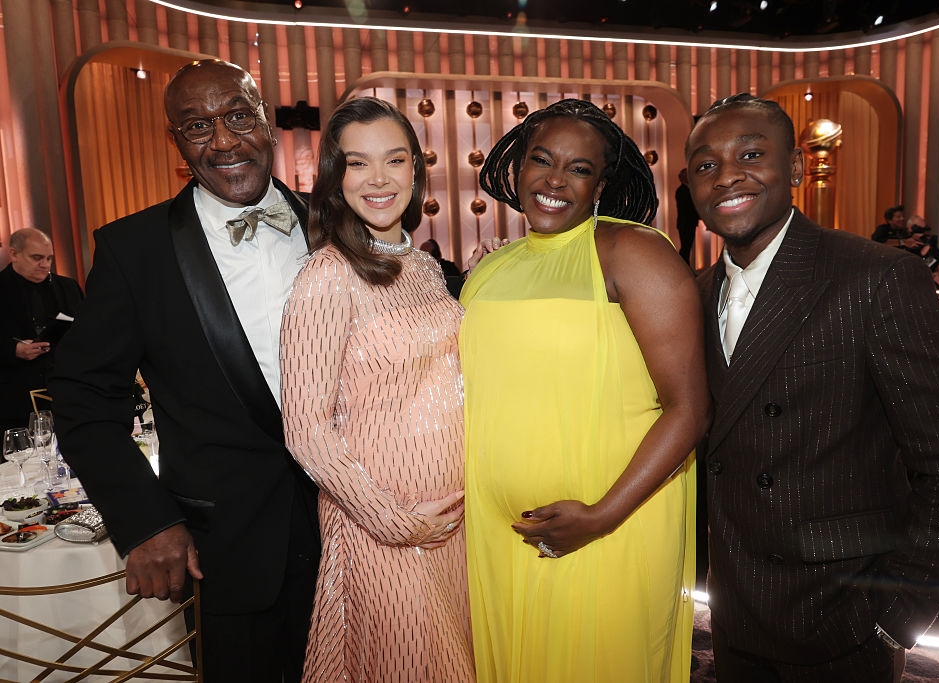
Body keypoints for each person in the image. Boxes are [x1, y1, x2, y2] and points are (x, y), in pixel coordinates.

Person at [684, 93, 939, 682]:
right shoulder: (692, 297)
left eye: (751, 153)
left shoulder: (875, 277)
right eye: (705, 165)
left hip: (840, 624)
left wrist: (894, 617)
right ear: (689, 186)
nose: (727, 177)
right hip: (735, 616)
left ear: (797, 167)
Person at [50, 60, 320, 682]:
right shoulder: (133, 251)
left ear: (267, 122)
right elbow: (86, 399)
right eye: (197, 126)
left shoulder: (335, 226)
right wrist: (146, 521)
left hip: (351, 535)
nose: (222, 140)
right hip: (221, 547)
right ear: (176, 143)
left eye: (236, 116)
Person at [462, 98, 710, 683]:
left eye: (578, 169)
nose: (553, 180)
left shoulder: (634, 252)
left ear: (601, 184)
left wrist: (600, 517)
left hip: (609, 530)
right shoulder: (492, 268)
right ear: (517, 167)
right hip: (498, 538)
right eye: (541, 160)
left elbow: (689, 410)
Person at [280, 97, 473, 682]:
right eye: (358, 163)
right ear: (336, 178)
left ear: (417, 169)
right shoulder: (326, 275)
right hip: (383, 531)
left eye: (394, 159)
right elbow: (305, 431)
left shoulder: (425, 267)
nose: (380, 179)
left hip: (455, 524)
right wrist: (394, 520)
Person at [0, 228, 82, 432]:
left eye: (49, 258)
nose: (45, 265)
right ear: (13, 254)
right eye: (36, 258)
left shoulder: (68, 287)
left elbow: (89, 331)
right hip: (14, 401)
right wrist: (14, 350)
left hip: (67, 395)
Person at [675, 168, 700, 264]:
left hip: (689, 223)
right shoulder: (681, 191)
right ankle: (683, 267)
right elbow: (688, 208)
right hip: (685, 223)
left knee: (687, 247)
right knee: (685, 247)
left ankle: (684, 266)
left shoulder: (688, 190)